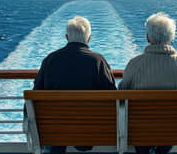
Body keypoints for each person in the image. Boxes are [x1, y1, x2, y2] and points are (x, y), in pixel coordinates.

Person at [30, 16, 117, 154]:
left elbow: (35, 95)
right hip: (88, 132)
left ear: (66, 37)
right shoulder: (98, 61)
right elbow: (113, 97)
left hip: (54, 132)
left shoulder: (50, 60)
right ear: (88, 38)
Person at [118, 12, 177, 154]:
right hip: (173, 132)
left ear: (148, 37)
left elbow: (121, 93)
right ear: (171, 38)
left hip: (141, 132)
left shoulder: (135, 64)